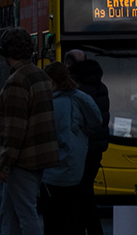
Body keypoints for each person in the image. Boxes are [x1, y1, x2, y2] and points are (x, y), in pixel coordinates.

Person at [0, 27, 59, 235]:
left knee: (25, 214)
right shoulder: (40, 75)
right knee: (10, 213)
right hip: (41, 155)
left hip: (22, 159)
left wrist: (4, 163)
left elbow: (15, 129)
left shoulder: (17, 82)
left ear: (6, 51)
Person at [41, 62, 100, 235]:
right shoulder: (81, 99)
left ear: (52, 82)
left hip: (55, 171)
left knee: (54, 222)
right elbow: (95, 123)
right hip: (77, 167)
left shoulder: (53, 104)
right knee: (75, 219)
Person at [69, 59, 111, 235]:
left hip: (84, 148)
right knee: (86, 191)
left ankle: (86, 229)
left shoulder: (80, 92)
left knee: (80, 194)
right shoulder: (101, 88)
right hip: (97, 148)